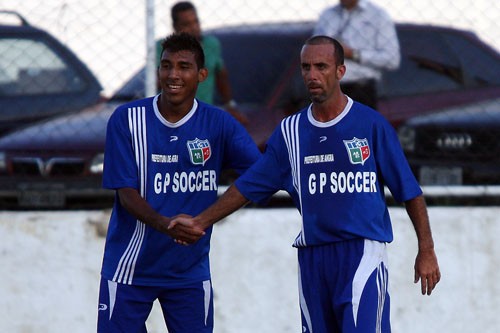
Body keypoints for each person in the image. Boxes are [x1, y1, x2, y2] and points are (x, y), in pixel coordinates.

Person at [171, 36, 440, 333]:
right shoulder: (290, 132)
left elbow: (410, 192)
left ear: (340, 71)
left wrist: (426, 250)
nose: (312, 75)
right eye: (306, 67)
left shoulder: (371, 125)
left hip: (361, 253)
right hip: (313, 258)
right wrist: (200, 222)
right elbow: (247, 187)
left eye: (321, 67)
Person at [97, 33, 261, 332]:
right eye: (166, 65)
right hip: (129, 269)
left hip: (189, 272)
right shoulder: (126, 120)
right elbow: (126, 194)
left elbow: (258, 177)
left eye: (184, 66)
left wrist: (204, 220)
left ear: (201, 75)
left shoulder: (219, 124)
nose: (173, 74)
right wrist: (164, 224)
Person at [157, 1, 248, 124]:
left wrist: (229, 105)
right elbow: (156, 81)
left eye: (196, 21)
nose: (193, 27)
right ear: (175, 27)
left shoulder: (211, 45)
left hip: (202, 115)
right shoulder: (164, 48)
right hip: (172, 115)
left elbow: (221, 76)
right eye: (186, 24)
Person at [313, 0, 400, 109]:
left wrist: (354, 54)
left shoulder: (378, 15)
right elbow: (314, 50)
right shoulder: (328, 15)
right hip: (328, 89)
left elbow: (392, 59)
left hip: (361, 90)